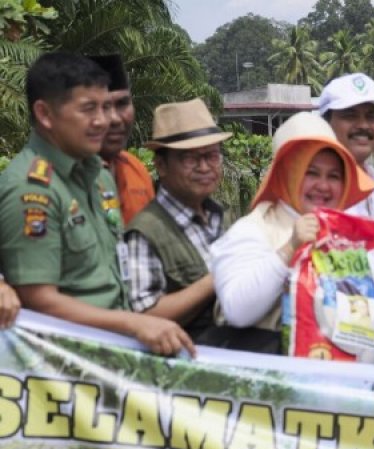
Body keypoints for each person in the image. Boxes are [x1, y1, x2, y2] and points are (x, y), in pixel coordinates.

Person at [0, 51, 194, 356]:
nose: (104, 121)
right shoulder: (31, 189)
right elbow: (39, 300)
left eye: (107, 107)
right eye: (89, 109)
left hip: (119, 351)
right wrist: (133, 324)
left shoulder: (98, 176)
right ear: (45, 114)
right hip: (69, 363)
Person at [211, 112, 374, 362]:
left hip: (346, 385)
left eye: (333, 176)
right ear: (288, 173)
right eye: (311, 173)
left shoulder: (349, 236)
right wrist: (290, 249)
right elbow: (238, 310)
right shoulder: (252, 231)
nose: (323, 186)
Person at [125, 98, 230, 339]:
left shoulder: (218, 218)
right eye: (190, 158)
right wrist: (218, 278)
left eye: (212, 156)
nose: (204, 167)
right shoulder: (145, 232)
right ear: (161, 165)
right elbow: (145, 316)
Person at [318, 73, 374, 267]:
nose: (363, 125)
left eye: (371, 116)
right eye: (350, 115)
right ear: (325, 122)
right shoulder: (314, 190)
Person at [89, 54, 155, 225]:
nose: (115, 119)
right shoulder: (57, 180)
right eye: (102, 107)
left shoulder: (136, 170)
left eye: (122, 104)